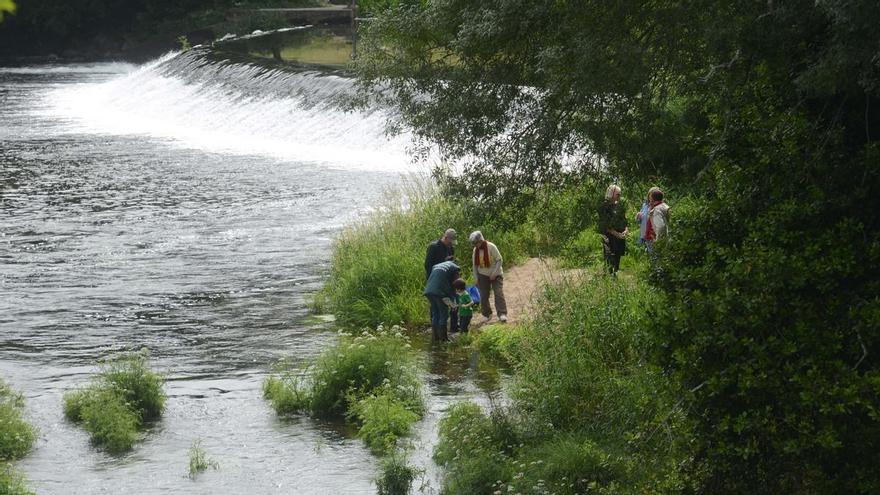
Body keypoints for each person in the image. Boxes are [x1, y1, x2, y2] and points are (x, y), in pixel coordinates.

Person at [468, 231, 507, 323]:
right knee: (484, 295)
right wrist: (476, 278)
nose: (475, 245)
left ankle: (502, 314)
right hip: (483, 275)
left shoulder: (491, 246)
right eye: (474, 243)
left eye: (476, 243)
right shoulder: (475, 250)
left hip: (496, 274)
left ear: (481, 240)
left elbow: (499, 260)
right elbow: (475, 265)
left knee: (498, 293)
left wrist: (494, 273)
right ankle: (487, 314)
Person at [424, 228, 458, 332]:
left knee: (452, 301)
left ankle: (453, 326)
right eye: (450, 241)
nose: (451, 244)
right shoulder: (434, 247)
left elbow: (451, 263)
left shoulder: (450, 248)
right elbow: (427, 265)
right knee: (436, 305)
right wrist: (433, 280)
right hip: (435, 281)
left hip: (448, 280)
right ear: (445, 237)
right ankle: (437, 330)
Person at [423, 260, 460, 342]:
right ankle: (444, 339)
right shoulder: (454, 268)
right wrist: (454, 299)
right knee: (443, 313)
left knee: (435, 313)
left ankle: (435, 337)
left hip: (429, 291)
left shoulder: (436, 265)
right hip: (440, 292)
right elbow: (456, 283)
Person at [597, 184, 628, 275]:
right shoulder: (603, 207)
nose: (619, 196)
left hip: (620, 235)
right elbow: (605, 224)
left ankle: (615, 274)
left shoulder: (620, 206)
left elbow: (624, 220)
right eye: (618, 194)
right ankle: (608, 275)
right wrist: (616, 234)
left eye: (620, 194)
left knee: (618, 255)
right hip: (609, 236)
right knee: (609, 256)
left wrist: (626, 230)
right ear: (612, 193)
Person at [644, 189, 670, 253]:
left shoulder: (657, 210)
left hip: (654, 239)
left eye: (650, 198)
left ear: (652, 199)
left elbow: (661, 227)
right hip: (663, 238)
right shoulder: (664, 206)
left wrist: (657, 240)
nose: (649, 200)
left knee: (655, 260)